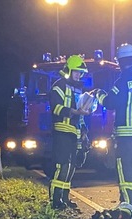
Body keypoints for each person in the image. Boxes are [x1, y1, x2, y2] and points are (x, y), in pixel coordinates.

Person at [95, 43, 132, 212]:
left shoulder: (122, 82)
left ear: (120, 62)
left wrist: (99, 94)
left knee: (124, 168)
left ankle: (127, 205)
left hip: (125, 135)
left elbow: (110, 102)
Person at [49, 54, 91, 210]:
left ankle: (65, 199)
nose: (79, 75)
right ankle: (55, 200)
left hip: (74, 133)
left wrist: (84, 132)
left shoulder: (77, 89)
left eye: (81, 73)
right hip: (62, 132)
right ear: (69, 70)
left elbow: (80, 116)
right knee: (62, 166)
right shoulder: (58, 86)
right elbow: (56, 108)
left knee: (71, 167)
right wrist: (75, 111)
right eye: (76, 72)